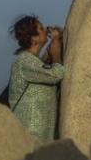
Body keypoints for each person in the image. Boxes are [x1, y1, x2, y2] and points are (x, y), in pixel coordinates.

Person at [7, 14, 65, 143]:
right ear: (34, 38)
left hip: (42, 133)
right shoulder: (24, 61)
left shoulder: (33, 62)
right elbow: (56, 74)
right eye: (41, 28)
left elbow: (44, 70)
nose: (46, 29)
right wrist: (56, 54)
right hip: (30, 132)